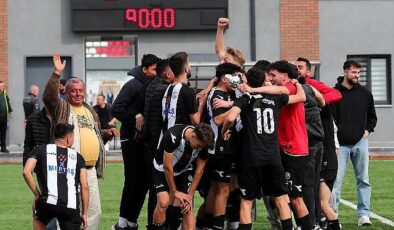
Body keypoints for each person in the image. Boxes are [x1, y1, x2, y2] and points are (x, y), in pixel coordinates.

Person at [222, 67, 306, 230]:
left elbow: (231, 117)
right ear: (263, 81)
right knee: (281, 198)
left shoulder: (245, 98)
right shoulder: (275, 98)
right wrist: (298, 83)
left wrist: (226, 131)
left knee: (246, 202)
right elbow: (301, 97)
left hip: (251, 158)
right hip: (272, 157)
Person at [43, 53, 118, 229]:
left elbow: (96, 133)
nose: (78, 94)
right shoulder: (62, 106)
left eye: (81, 90)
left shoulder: (89, 109)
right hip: (68, 168)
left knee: (94, 211)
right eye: (74, 90)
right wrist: (56, 73)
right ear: (67, 92)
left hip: (89, 169)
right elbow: (48, 97)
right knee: (67, 211)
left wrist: (108, 133)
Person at [111, 53, 161, 230]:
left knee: (143, 181)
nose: (157, 73)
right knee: (133, 180)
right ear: (144, 69)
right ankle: (124, 221)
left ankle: (130, 221)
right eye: (154, 69)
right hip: (130, 139)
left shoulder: (151, 85)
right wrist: (135, 117)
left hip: (141, 140)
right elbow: (116, 108)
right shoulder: (133, 85)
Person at [295, 57, 342, 229]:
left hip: (321, 150)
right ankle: (315, 222)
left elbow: (336, 94)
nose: (297, 69)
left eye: (300, 67)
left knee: (322, 201)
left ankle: (321, 223)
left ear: (308, 72)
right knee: (308, 191)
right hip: (305, 148)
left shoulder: (311, 86)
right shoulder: (293, 88)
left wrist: (318, 99)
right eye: (295, 67)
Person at [330, 60, 377, 226]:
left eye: (358, 73)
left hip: (360, 142)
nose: (357, 76)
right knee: (335, 181)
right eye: (354, 72)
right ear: (345, 72)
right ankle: (333, 216)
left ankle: (364, 215)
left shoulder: (365, 93)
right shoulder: (334, 93)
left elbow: (372, 117)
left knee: (363, 180)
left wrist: (367, 130)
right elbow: (329, 120)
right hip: (339, 146)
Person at [269, 60, 312, 229]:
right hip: (285, 148)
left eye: (274, 75)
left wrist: (251, 89)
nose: (271, 79)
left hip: (293, 150)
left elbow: (280, 90)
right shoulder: (291, 87)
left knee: (296, 197)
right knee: (282, 194)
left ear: (285, 76)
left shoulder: (291, 88)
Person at [23, 123, 89, 230]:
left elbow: (26, 172)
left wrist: (37, 194)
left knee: (37, 217)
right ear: (68, 138)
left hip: (47, 202)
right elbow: (85, 186)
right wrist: (85, 213)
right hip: (70, 207)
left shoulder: (39, 149)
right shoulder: (78, 157)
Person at [151, 123, 215, 230]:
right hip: (162, 169)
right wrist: (174, 191)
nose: (199, 149)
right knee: (163, 202)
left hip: (184, 170)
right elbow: (167, 167)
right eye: (198, 146)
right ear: (193, 136)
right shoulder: (173, 135)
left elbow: (200, 170)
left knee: (187, 206)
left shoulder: (203, 144)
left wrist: (189, 195)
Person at [205, 63, 243, 230]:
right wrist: (237, 106)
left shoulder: (231, 93)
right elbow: (219, 120)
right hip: (219, 148)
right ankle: (217, 225)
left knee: (227, 187)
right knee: (222, 189)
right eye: (234, 75)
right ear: (224, 78)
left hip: (231, 147)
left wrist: (232, 104)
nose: (236, 79)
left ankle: (208, 224)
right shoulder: (216, 94)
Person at [142, 58, 175, 226]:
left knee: (156, 191)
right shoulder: (164, 90)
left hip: (151, 145)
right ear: (168, 74)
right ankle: (157, 224)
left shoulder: (153, 86)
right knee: (159, 191)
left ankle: (154, 224)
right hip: (157, 148)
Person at [0, 80, 12, 153]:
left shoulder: (4, 93)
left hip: (4, 117)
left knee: (3, 133)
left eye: (3, 86)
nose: (3, 87)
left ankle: (3, 148)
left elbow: (7, 102)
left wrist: (10, 110)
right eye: (2, 86)